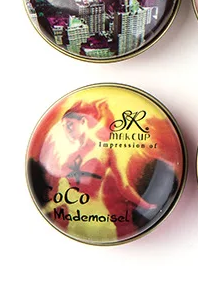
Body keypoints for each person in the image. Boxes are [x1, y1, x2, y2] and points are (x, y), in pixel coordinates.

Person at [37, 100, 155, 241]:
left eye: (70, 124)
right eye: (64, 127)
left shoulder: (107, 150)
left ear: (83, 122)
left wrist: (146, 206)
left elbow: (124, 187)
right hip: (75, 222)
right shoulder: (69, 157)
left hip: (99, 221)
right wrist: (45, 208)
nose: (67, 130)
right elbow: (62, 193)